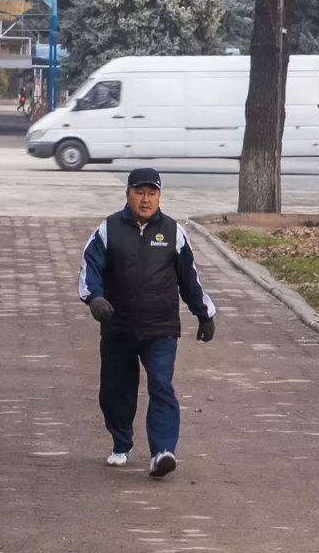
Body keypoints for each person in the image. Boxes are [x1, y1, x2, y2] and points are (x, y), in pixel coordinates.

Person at [78, 168, 217, 478]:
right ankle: (121, 443)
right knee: (116, 390)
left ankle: (163, 452)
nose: (145, 199)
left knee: (161, 385)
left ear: (159, 196)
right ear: (128, 194)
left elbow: (189, 279)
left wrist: (204, 314)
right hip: (118, 327)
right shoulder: (108, 230)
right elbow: (90, 269)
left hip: (160, 328)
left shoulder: (173, 232)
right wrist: (95, 299)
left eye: (152, 193)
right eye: (139, 192)